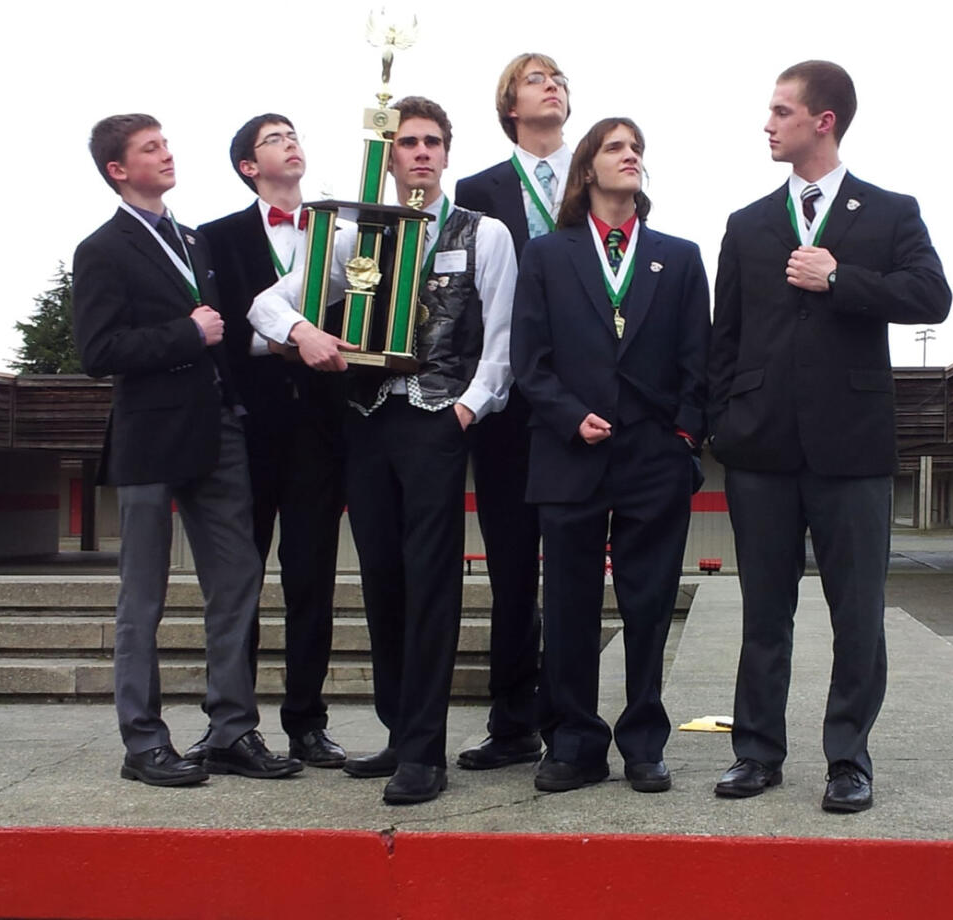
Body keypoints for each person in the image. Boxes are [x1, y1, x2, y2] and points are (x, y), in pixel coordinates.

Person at [250, 96, 517, 804]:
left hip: (438, 420)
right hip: (367, 420)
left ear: (448, 153)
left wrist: (467, 408)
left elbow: (502, 341)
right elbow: (267, 303)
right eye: (408, 143)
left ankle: (426, 751)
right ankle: (401, 730)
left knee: (432, 579)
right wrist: (304, 333)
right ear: (390, 156)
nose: (422, 152)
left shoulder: (482, 232)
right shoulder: (356, 237)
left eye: (433, 141)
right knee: (381, 578)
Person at [708, 61, 952, 811]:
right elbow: (726, 340)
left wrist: (841, 278)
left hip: (852, 449)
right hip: (762, 450)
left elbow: (932, 297)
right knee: (763, 611)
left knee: (858, 613)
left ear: (824, 121)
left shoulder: (889, 212)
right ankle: (757, 753)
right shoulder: (746, 224)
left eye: (781, 111)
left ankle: (849, 758)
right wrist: (725, 425)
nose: (768, 123)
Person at [72, 114, 302, 786]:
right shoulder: (103, 249)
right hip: (148, 438)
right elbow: (98, 351)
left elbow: (226, 333)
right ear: (118, 170)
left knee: (236, 584)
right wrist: (184, 332)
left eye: (166, 144)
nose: (167, 154)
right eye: (151, 149)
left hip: (218, 432)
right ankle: (142, 742)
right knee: (142, 596)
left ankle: (232, 730)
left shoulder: (193, 239)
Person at [511, 117, 709, 793]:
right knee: (567, 606)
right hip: (570, 454)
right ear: (587, 169)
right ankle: (572, 743)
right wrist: (571, 417)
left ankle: (644, 743)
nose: (631, 157)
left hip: (653, 458)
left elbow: (697, 362)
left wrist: (683, 439)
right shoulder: (547, 255)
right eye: (615, 148)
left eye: (637, 149)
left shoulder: (678, 257)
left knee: (648, 604)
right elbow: (528, 362)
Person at [193, 114, 348, 768]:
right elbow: (221, 331)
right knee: (241, 581)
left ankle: (307, 723)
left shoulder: (341, 233)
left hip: (320, 429)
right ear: (249, 166)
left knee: (312, 579)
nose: (292, 142)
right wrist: (287, 339)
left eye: (293, 134)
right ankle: (234, 722)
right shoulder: (218, 236)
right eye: (274, 139)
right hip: (249, 433)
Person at [452, 52, 572, 770]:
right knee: (511, 575)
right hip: (504, 414)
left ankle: (571, 721)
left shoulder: (595, 186)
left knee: (573, 570)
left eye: (559, 79)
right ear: (509, 106)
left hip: (577, 409)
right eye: (537, 80)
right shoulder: (476, 191)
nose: (552, 87)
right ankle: (511, 722)